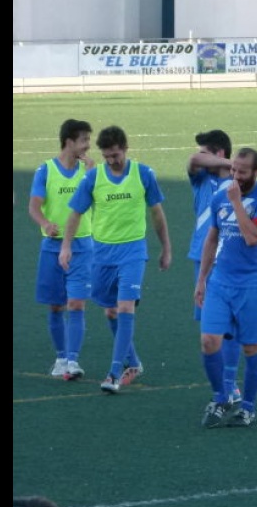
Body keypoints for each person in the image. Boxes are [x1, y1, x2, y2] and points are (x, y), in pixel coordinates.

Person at [59, 125, 173, 394]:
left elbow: (157, 213)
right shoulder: (93, 178)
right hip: (102, 254)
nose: (112, 161)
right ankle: (134, 363)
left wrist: (166, 247)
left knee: (125, 308)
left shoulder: (143, 174)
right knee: (110, 310)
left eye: (116, 155)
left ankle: (113, 373)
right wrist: (66, 246)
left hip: (133, 252)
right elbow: (75, 213)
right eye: (107, 156)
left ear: (125, 148)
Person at [187, 130, 257, 404]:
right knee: (209, 340)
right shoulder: (220, 193)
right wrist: (201, 280)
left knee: (251, 346)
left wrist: (236, 203)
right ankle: (221, 396)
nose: (236, 177)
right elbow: (212, 236)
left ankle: (247, 405)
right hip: (220, 280)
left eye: (242, 172)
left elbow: (256, 237)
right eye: (233, 170)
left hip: (252, 284)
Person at [28, 119, 95, 381]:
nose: (88, 145)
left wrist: (91, 175)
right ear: (69, 141)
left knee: (76, 303)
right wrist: (45, 223)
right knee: (56, 306)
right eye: (84, 140)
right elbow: (34, 206)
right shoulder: (45, 170)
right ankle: (60, 357)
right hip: (52, 247)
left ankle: (73, 360)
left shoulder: (89, 171)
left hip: (82, 245)